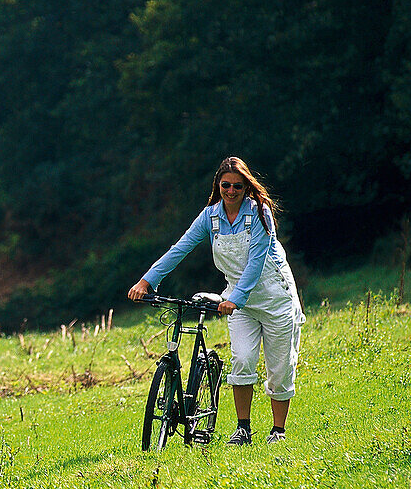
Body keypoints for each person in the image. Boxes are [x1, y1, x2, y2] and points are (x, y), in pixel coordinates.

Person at [128, 157, 305, 445]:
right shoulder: (210, 216)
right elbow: (180, 248)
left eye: (238, 185)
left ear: (247, 186)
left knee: (280, 367)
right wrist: (147, 281)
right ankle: (243, 429)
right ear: (217, 185)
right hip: (239, 302)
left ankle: (278, 431)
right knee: (243, 360)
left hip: (274, 299)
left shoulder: (260, 212)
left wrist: (235, 299)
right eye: (226, 185)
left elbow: (257, 261)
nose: (231, 191)